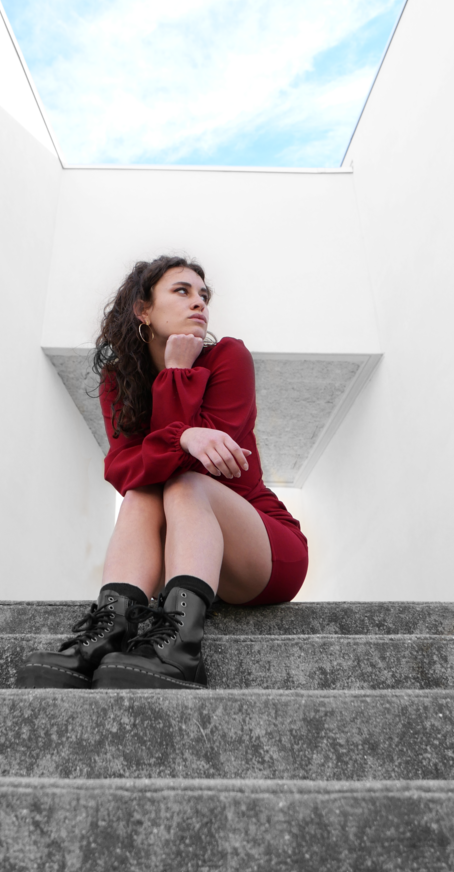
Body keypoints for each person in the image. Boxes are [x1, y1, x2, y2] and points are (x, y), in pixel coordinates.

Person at [18, 254, 308, 690]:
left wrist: (177, 376)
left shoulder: (228, 357)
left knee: (183, 482)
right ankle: (106, 635)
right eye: (182, 291)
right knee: (142, 492)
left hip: (264, 549)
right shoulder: (119, 380)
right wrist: (184, 436)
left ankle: (180, 653)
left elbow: (202, 463)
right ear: (143, 309)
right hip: (192, 554)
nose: (200, 303)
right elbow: (123, 469)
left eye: (204, 295)